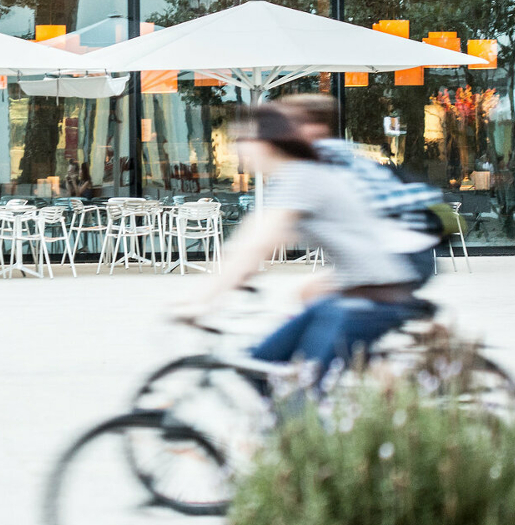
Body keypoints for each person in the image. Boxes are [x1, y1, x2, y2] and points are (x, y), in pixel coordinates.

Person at [177, 100, 436, 386]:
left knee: (301, 389)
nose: (235, 147)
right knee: (260, 367)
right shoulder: (290, 177)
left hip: (374, 295)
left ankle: (379, 403)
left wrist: (201, 300)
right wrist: (231, 280)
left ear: (266, 141)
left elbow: (256, 246)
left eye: (242, 139)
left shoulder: (303, 175)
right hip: (352, 293)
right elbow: (257, 238)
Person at [278, 94, 442, 288]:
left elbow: (261, 240)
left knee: (347, 304)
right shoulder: (340, 153)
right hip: (412, 251)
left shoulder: (310, 168)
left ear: (312, 128)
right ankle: (419, 313)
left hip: (396, 259)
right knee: (312, 291)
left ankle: (406, 309)